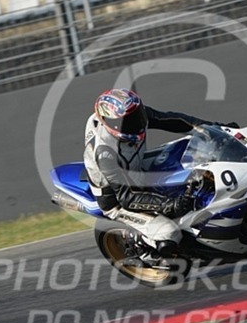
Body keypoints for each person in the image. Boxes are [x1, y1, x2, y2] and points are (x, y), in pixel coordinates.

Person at [83, 88, 237, 261]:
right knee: (169, 232)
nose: (136, 123)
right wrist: (171, 204)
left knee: (193, 151)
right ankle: (142, 245)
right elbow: (128, 198)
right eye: (128, 122)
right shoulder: (106, 154)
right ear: (109, 124)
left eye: (137, 115)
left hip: (136, 166)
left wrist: (215, 129)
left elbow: (172, 120)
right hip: (118, 198)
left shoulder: (132, 114)